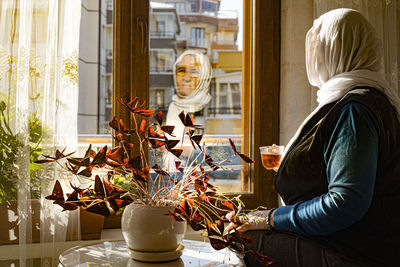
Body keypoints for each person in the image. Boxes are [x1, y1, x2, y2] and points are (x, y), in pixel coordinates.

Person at [227, 8, 400, 266]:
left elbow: (344, 204)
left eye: (318, 46)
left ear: (336, 49)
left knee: (239, 239)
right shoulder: (368, 100)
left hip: (356, 252)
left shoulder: (355, 112)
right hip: (357, 242)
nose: (312, 57)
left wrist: (269, 218)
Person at [165, 49, 212, 138]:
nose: (187, 78)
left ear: (204, 75)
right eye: (181, 70)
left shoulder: (211, 108)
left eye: (194, 71)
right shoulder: (174, 108)